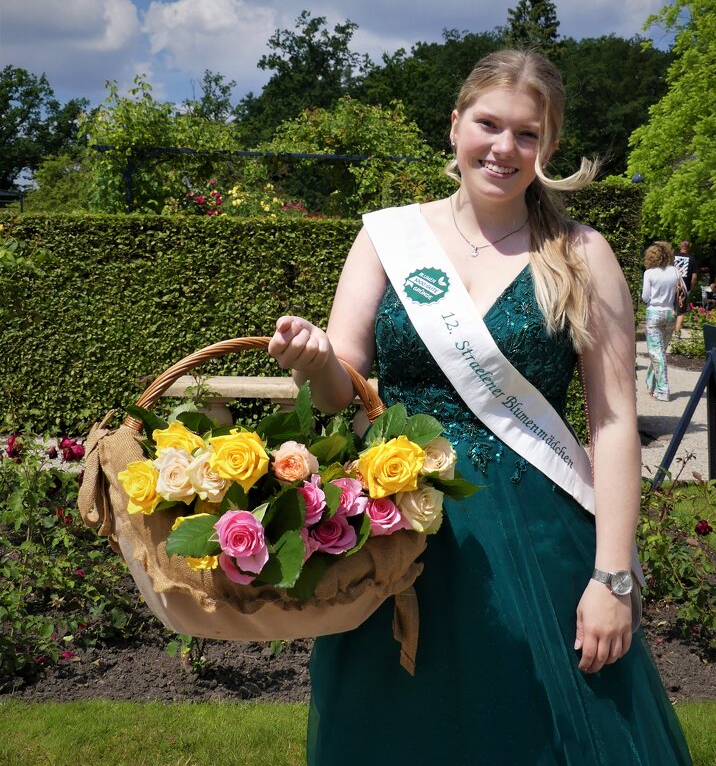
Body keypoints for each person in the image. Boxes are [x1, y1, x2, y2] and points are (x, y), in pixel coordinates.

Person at [268, 50, 692, 765]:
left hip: (540, 536)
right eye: (487, 124)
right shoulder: (386, 237)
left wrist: (611, 576)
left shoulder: (582, 254)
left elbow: (614, 425)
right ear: (455, 124)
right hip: (394, 529)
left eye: (526, 134)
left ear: (548, 147)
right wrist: (315, 363)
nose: (503, 148)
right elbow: (343, 390)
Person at [641, 243, 679, 402]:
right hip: (671, 313)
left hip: (655, 313)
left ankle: (663, 390)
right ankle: (651, 384)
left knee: (657, 353)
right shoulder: (675, 271)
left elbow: (645, 296)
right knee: (660, 352)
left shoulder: (649, 273)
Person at [673, 240, 698, 337]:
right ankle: (677, 330)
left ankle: (669, 328)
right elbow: (694, 276)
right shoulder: (692, 259)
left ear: (680, 246)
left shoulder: (673, 257)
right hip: (684, 288)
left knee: (671, 307)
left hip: (672, 286)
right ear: (689, 248)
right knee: (681, 309)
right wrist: (690, 287)